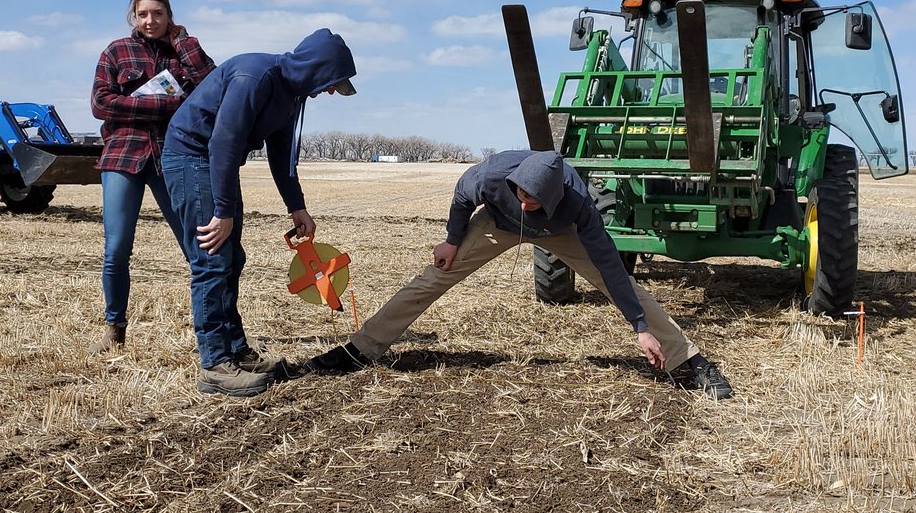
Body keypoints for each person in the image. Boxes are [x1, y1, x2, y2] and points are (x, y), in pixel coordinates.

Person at [308, 150, 734, 400]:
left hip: (561, 233)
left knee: (627, 290)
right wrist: (453, 240)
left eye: (534, 198)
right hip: (495, 225)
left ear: (555, 193)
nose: (524, 200)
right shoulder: (493, 177)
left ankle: (688, 361)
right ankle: (361, 349)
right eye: (520, 193)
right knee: (431, 279)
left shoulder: (580, 207)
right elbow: (461, 195)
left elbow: (611, 270)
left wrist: (639, 328)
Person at [162, 28, 357, 397]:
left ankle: (236, 352)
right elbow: (223, 141)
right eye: (332, 81)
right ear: (315, 67)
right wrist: (223, 211)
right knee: (213, 257)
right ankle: (215, 365)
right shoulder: (256, 76)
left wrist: (296, 206)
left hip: (215, 162)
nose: (331, 90)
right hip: (192, 157)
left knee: (233, 258)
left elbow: (282, 152)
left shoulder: (291, 94)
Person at [89, 0, 215, 355]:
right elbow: (101, 104)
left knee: (196, 248)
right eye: (143, 14)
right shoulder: (116, 51)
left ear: (169, 16)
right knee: (116, 249)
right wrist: (166, 106)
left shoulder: (183, 51)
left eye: (157, 14)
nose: (150, 21)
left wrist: (185, 42)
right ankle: (115, 328)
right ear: (134, 16)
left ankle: (210, 330)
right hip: (122, 155)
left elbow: (210, 87)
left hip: (172, 156)